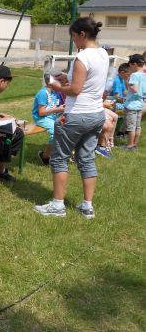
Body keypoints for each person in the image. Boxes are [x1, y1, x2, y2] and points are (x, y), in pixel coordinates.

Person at [34, 17, 108, 219]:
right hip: (96, 115)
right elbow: (86, 83)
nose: (74, 42)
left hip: (76, 116)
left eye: (74, 37)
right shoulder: (103, 54)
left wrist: (57, 86)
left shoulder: (82, 57)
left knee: (59, 158)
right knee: (87, 158)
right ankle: (87, 206)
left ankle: (57, 205)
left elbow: (75, 90)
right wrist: (67, 79)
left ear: (82, 35)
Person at [33, 72, 65, 164]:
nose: (60, 83)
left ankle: (50, 155)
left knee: (65, 129)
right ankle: (45, 156)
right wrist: (57, 109)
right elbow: (41, 112)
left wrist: (62, 108)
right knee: (57, 133)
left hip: (52, 117)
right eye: (58, 81)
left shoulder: (55, 93)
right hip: (41, 118)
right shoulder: (43, 93)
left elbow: (54, 107)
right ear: (51, 83)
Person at [121, 54, 146, 149]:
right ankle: (135, 144)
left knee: (131, 127)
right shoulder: (144, 74)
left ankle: (130, 145)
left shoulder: (134, 75)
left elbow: (134, 89)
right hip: (140, 104)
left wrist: (128, 83)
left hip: (132, 105)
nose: (129, 67)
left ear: (134, 64)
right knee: (138, 126)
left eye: (130, 65)